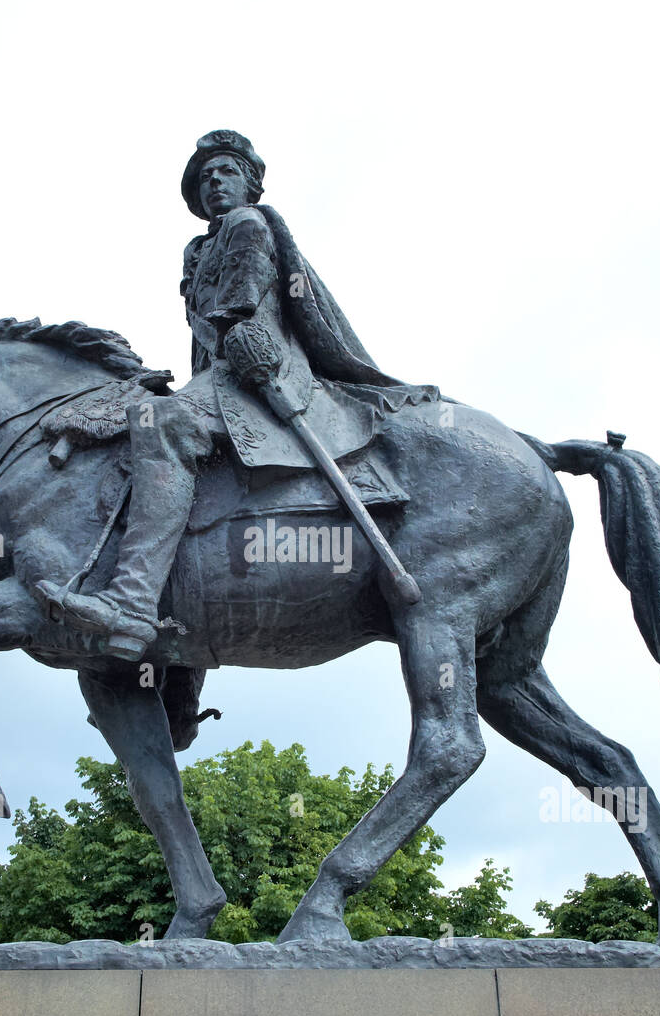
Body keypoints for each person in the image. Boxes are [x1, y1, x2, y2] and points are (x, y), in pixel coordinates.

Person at [38, 129, 434, 659]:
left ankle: (131, 603)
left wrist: (239, 332)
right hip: (223, 378)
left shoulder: (248, 224)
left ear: (251, 183)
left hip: (264, 373)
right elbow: (206, 339)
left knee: (160, 424)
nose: (215, 183)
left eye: (227, 172)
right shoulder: (196, 250)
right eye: (205, 178)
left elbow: (240, 308)